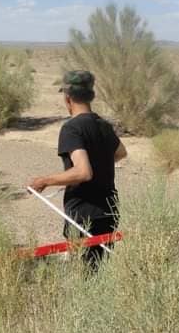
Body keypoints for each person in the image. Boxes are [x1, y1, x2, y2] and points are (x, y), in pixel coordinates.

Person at [28, 70, 126, 265]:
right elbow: (121, 152)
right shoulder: (103, 125)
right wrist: (100, 162)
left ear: (68, 98)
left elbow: (83, 172)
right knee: (101, 270)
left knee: (84, 275)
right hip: (108, 212)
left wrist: (45, 181)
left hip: (83, 216)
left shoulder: (71, 128)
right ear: (90, 96)